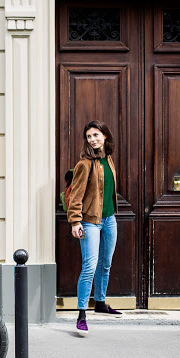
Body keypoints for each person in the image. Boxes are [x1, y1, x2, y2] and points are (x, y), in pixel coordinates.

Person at [67, 120, 121, 336]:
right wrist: (75, 221)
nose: (92, 139)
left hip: (109, 219)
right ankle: (81, 314)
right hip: (89, 222)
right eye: (89, 136)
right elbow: (76, 196)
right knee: (90, 266)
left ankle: (100, 302)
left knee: (105, 263)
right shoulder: (84, 164)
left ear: (105, 136)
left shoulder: (109, 160)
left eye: (96, 135)